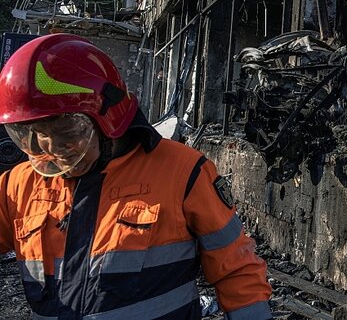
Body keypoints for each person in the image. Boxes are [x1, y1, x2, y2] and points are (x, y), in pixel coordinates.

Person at [0, 34, 272, 319]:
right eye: (39, 135)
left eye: (68, 133)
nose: (53, 148)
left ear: (109, 117)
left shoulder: (182, 172)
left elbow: (237, 270)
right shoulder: (19, 184)